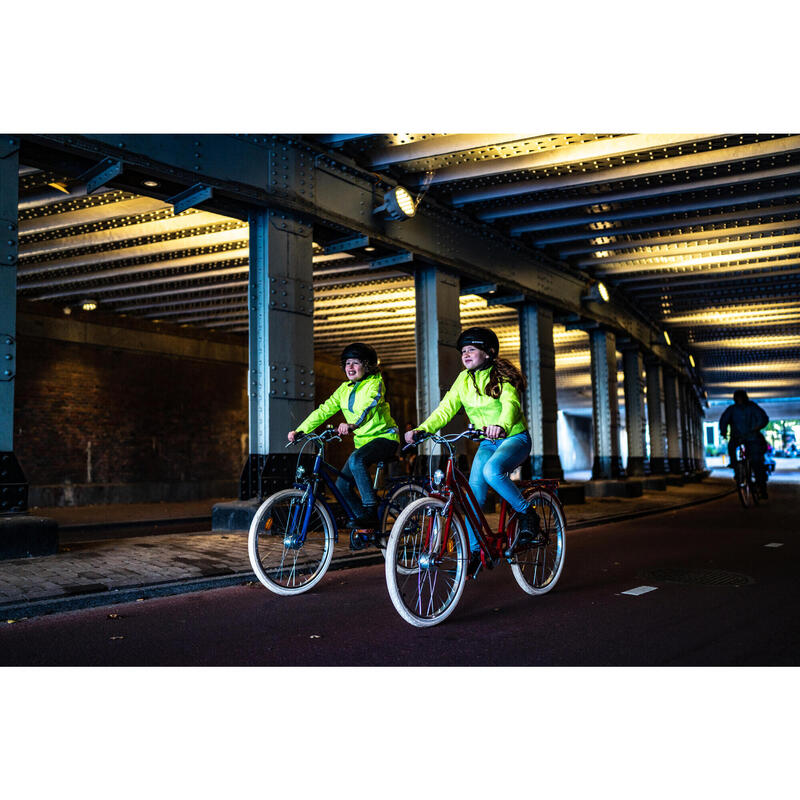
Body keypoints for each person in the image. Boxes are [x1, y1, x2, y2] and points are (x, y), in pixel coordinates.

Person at [405, 326, 536, 573]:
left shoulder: (502, 376)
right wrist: (423, 430)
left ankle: (527, 513)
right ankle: (475, 551)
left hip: (514, 438)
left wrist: (501, 425)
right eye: (463, 351)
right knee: (472, 500)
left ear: (488, 353)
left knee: (492, 471)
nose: (465, 354)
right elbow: (445, 409)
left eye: (471, 349)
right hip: (487, 442)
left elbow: (511, 405)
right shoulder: (463, 380)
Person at [288, 343, 399, 529]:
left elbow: (369, 407)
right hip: (362, 443)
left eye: (356, 363)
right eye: (347, 363)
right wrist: (301, 430)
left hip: (385, 438)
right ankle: (365, 524)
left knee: (356, 460)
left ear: (367, 365)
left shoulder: (375, 383)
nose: (350, 367)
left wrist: (353, 424)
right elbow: (324, 411)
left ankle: (370, 510)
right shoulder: (343, 389)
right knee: (341, 486)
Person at [719, 389, 769, 498]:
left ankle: (738, 469)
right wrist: (756, 427)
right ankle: (738, 469)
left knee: (755, 461)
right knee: (756, 461)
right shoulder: (750, 407)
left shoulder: (734, 409)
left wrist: (723, 431)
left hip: (745, 437)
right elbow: (763, 419)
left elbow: (724, 420)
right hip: (749, 437)